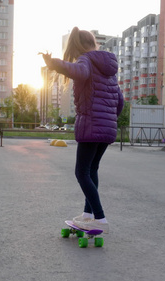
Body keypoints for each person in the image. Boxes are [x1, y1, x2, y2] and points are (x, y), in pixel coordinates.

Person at [40, 27, 124, 233]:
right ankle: (88, 215)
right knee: (92, 169)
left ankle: (100, 217)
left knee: (81, 171)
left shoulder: (86, 60)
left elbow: (80, 72)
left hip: (91, 125)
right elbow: (120, 100)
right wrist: (110, 119)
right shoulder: (108, 68)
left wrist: (53, 63)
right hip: (107, 128)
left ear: (76, 46)